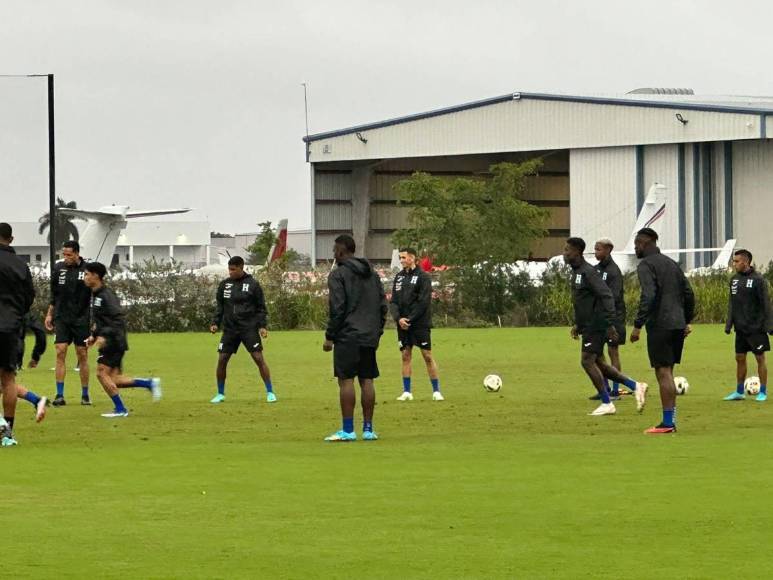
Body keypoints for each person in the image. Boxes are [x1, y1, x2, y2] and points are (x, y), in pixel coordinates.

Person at [563, 237, 647, 416]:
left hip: (597, 325)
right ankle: (635, 386)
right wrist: (578, 324)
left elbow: (607, 296)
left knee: (587, 361)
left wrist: (609, 323)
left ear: (577, 252)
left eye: (567, 250)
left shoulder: (588, 272)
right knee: (600, 364)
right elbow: (585, 302)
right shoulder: (577, 272)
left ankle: (607, 402)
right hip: (589, 325)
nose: (565, 253)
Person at [323, 234, 387, 442]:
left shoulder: (337, 275)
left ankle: (348, 430)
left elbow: (338, 308)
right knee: (367, 380)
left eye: (334, 251)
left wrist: (330, 336)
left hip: (348, 335)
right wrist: (377, 331)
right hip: (369, 335)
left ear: (341, 251)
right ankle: (368, 429)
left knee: (346, 380)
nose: (333, 254)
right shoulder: (373, 274)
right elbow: (382, 306)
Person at [630, 227, 695, 434]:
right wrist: (686, 320)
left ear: (646, 243)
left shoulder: (646, 265)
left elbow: (648, 295)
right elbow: (689, 293)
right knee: (669, 370)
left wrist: (638, 324)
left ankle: (668, 424)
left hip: (660, 324)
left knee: (663, 372)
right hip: (677, 324)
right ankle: (670, 420)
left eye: (637, 243)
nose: (635, 247)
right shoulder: (672, 264)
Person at [83, 262, 161, 418]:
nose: (84, 277)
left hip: (113, 341)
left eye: (86, 274)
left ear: (96, 276)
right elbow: (102, 319)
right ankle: (149, 383)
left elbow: (117, 318)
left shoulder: (106, 295)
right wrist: (94, 335)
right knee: (114, 380)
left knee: (101, 374)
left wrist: (104, 335)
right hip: (114, 340)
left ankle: (121, 409)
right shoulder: (96, 294)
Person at [209, 256, 276, 404]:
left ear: (241, 267)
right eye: (229, 269)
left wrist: (262, 326)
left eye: (233, 269)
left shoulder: (253, 284)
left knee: (258, 358)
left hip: (248, 328)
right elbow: (220, 306)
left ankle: (270, 392)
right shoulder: (224, 285)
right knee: (222, 360)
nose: (230, 272)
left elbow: (261, 308)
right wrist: (215, 323)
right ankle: (220, 394)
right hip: (230, 329)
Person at [391, 247, 443, 402]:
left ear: (412, 258)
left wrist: (410, 319)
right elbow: (393, 301)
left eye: (403, 257)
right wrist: (399, 318)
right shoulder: (398, 278)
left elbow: (423, 302)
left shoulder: (423, 277)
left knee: (427, 356)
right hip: (402, 324)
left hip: (419, 323)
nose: (401, 260)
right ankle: (407, 392)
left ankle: (436, 391)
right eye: (400, 258)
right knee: (405, 355)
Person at [0, 223, 35, 445]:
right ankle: (7, 432)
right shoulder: (21, 265)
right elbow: (29, 297)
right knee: (8, 379)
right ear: (11, 240)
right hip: (10, 326)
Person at [722, 249, 773, 402]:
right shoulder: (734, 280)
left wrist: (769, 325)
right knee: (739, 358)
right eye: (734, 261)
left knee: (760, 359)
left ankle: (762, 392)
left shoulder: (758, 280)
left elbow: (766, 303)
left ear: (745, 262)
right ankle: (739, 392)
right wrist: (729, 323)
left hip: (756, 328)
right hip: (740, 328)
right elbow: (732, 303)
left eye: (736, 261)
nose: (734, 264)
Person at [45, 240, 91, 406]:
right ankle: (59, 395)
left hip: (81, 319)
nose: (65, 258)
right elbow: (54, 294)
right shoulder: (58, 268)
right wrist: (49, 315)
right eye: (63, 254)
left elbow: (95, 293)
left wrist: (95, 321)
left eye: (69, 255)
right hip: (62, 317)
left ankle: (85, 394)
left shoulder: (88, 269)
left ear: (77, 253)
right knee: (60, 351)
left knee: (82, 354)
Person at [593, 238, 629, 400]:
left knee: (613, 351)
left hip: (613, 317)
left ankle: (615, 390)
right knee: (597, 353)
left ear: (608, 249)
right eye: (595, 249)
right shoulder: (596, 269)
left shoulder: (614, 271)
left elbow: (613, 297)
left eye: (598, 249)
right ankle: (604, 388)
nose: (596, 252)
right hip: (599, 316)